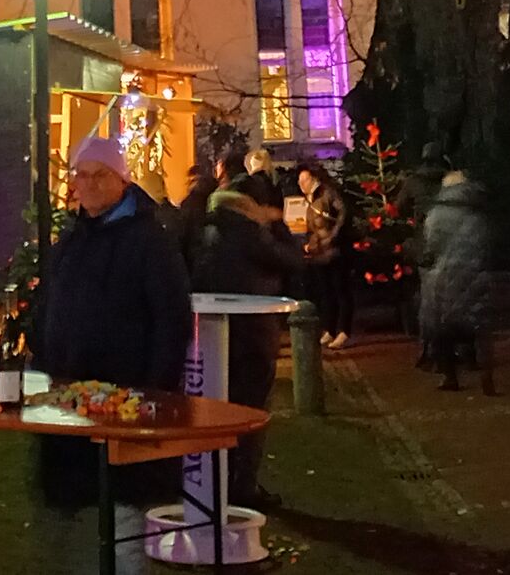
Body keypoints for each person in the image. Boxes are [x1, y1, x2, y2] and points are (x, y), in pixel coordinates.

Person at [35, 133, 194, 575]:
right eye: (79, 176)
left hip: (125, 405)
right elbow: (50, 309)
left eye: (97, 175)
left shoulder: (149, 239)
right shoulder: (72, 240)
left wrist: (153, 392)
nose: (86, 185)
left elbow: (172, 319)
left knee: (123, 517)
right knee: (74, 518)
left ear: (120, 179)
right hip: (68, 403)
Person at [192, 173, 309, 507]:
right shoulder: (248, 231)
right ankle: (242, 487)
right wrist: (277, 225)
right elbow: (294, 260)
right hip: (253, 334)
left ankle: (215, 482)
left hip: (215, 333)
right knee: (251, 413)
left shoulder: (208, 225)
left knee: (219, 407)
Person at [417, 166, 494, 392]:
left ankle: (449, 376)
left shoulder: (436, 214)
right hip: (474, 274)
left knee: (442, 327)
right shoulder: (477, 211)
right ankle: (486, 375)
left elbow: (430, 246)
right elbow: (486, 242)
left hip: (444, 276)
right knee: (479, 326)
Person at [296, 159, 354, 348]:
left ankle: (343, 330)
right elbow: (312, 227)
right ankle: (330, 329)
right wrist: (309, 244)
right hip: (320, 252)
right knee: (326, 292)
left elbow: (343, 213)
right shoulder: (311, 200)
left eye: (303, 181)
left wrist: (332, 238)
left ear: (312, 180)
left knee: (340, 290)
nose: (300, 185)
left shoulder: (327, 194)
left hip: (334, 251)